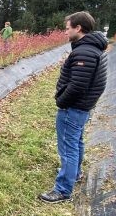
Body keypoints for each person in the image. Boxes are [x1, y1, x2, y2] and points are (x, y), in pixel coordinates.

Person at [39, 11, 108, 204]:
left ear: (78, 28)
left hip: (73, 108)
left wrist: (61, 101)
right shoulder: (93, 48)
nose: (65, 31)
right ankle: (74, 174)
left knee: (68, 148)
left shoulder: (84, 52)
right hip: (82, 108)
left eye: (68, 28)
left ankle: (62, 190)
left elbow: (77, 86)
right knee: (76, 142)